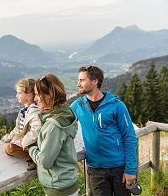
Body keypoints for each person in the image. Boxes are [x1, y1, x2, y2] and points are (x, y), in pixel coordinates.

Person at [70, 66, 137, 196]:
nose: (78, 84)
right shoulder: (78, 106)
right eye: (78, 80)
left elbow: (129, 136)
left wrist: (130, 169)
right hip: (96, 170)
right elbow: (61, 121)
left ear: (95, 82)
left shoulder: (116, 105)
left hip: (119, 168)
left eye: (82, 80)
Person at [28, 74, 79, 196]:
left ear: (49, 95)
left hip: (59, 188)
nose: (35, 98)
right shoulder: (65, 112)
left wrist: (31, 148)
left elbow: (45, 162)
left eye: (37, 94)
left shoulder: (54, 126)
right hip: (67, 183)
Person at [1, 78, 41, 171]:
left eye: (19, 93)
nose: (16, 95)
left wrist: (23, 142)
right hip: (27, 142)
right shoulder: (23, 112)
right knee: (9, 147)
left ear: (30, 95)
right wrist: (10, 136)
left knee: (10, 149)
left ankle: (34, 159)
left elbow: (36, 131)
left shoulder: (35, 112)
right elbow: (18, 129)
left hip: (33, 144)